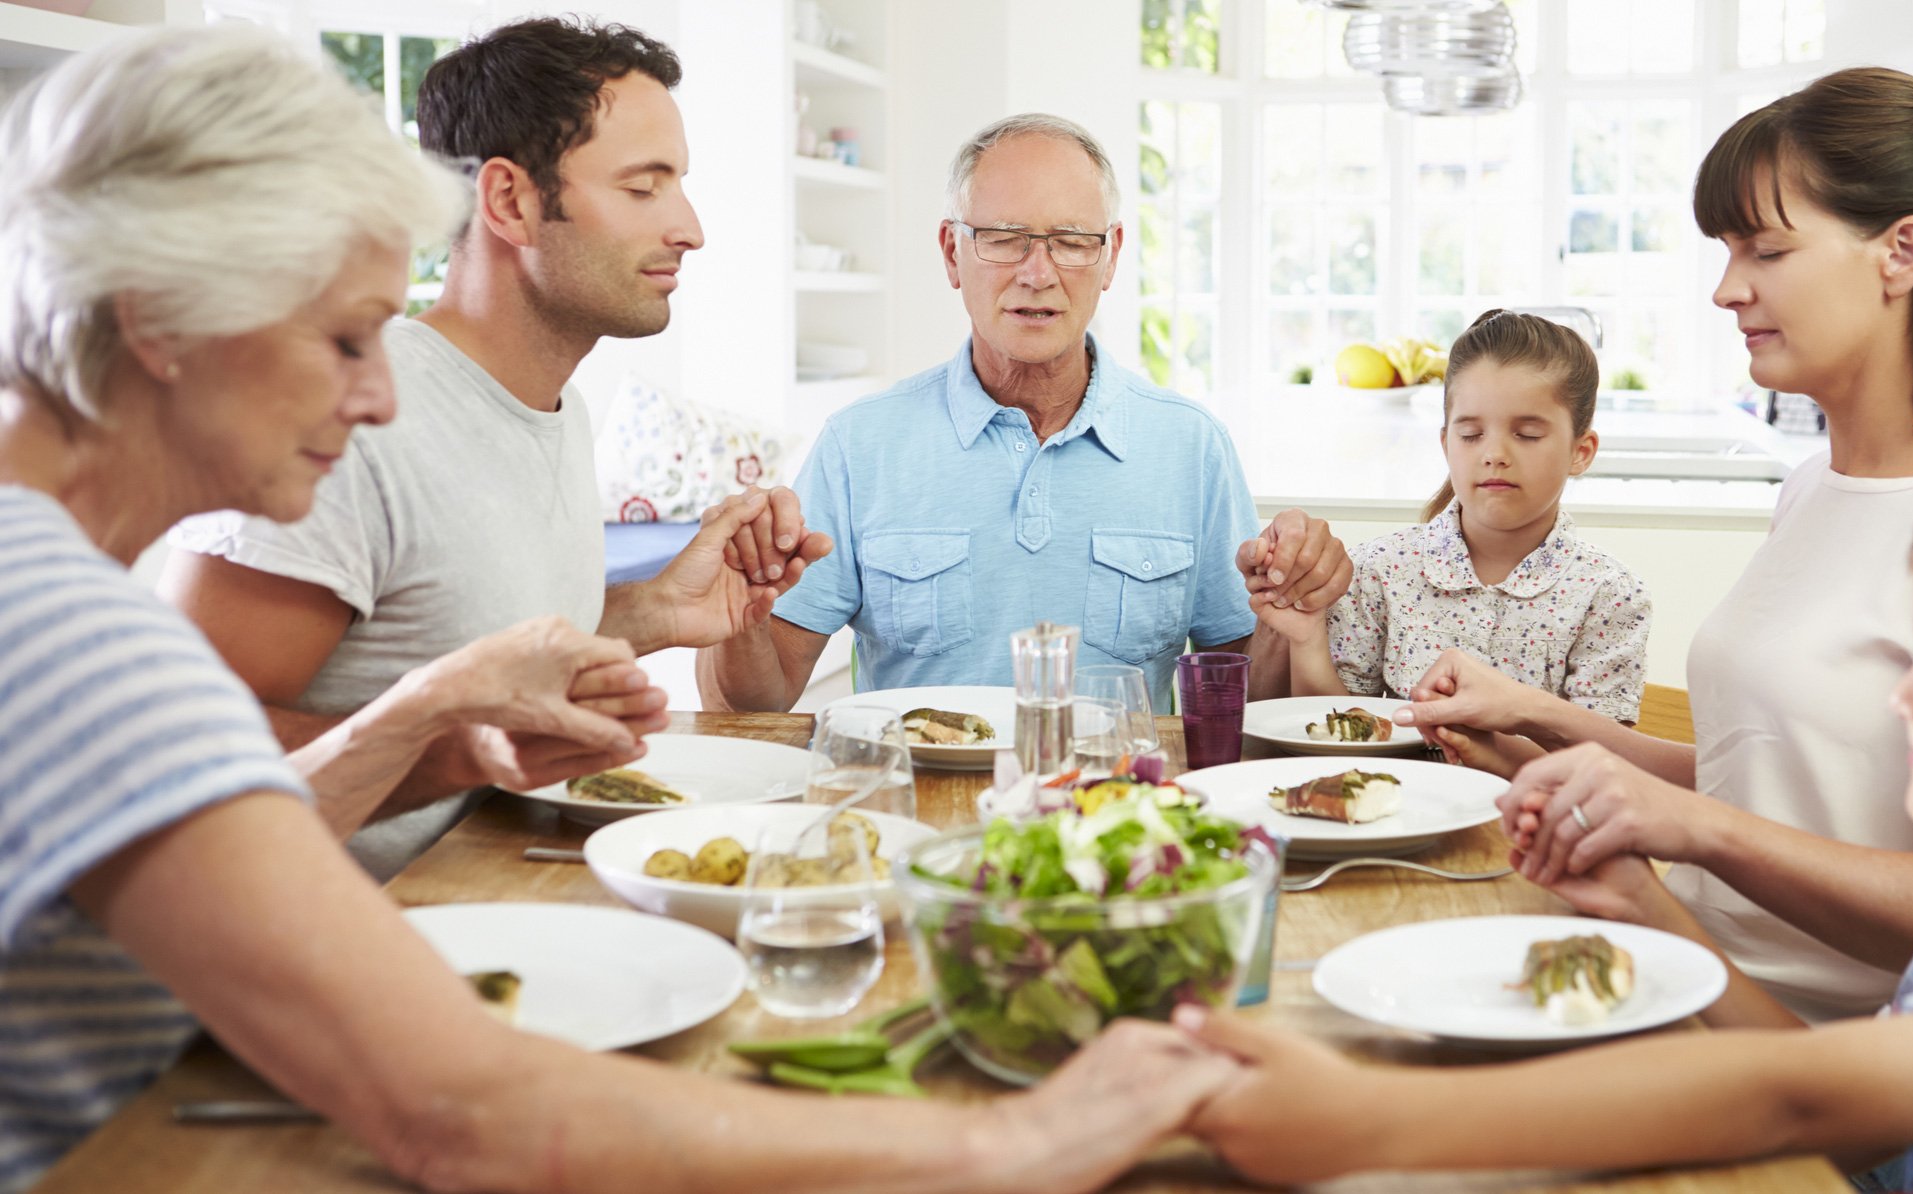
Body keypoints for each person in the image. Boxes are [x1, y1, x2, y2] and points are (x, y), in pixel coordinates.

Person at [0, 25, 1232, 1194]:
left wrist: (457, 717)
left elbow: (207, 808)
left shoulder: (47, 597)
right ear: (158, 322)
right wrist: (1013, 1145)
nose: (381, 395)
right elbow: (466, 1113)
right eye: (343, 337)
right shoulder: (63, 635)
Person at [1183, 438, 1913, 1190]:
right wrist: (1650, 906)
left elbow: (1804, 1104)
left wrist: (1362, 1122)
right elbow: (1853, 1098)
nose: (1901, 698)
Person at [1396, 67, 1913, 1022]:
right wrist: (1542, 726)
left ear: (1901, 252)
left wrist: (1692, 832)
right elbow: (1781, 787)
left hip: (1831, 1074)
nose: (1727, 290)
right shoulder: (1814, 488)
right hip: (1675, 981)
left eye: (1764, 249)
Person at [155, 16, 828, 877]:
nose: (689, 227)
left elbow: (463, 647)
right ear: (510, 201)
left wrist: (656, 611)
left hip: (502, 898)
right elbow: (179, 743)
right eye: (642, 188)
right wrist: (454, 748)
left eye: (678, 185)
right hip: (350, 944)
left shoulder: (558, 406)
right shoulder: (349, 420)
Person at [697, 113, 1350, 714]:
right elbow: (756, 704)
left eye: (1070, 241)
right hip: (916, 824)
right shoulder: (859, 444)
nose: (1037, 273)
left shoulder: (1190, 447)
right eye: (1004, 239)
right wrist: (738, 610)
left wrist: (1287, 613)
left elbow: (1243, 702)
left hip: (1118, 820)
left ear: (1111, 256)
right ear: (952, 253)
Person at [1252, 309, 1649, 765]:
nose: (1495, 454)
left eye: (1527, 434)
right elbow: (1340, 733)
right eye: (1471, 434)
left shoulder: (1612, 596)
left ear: (1581, 452)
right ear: (1446, 444)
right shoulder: (1380, 569)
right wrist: (1306, 640)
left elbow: (1608, 769)